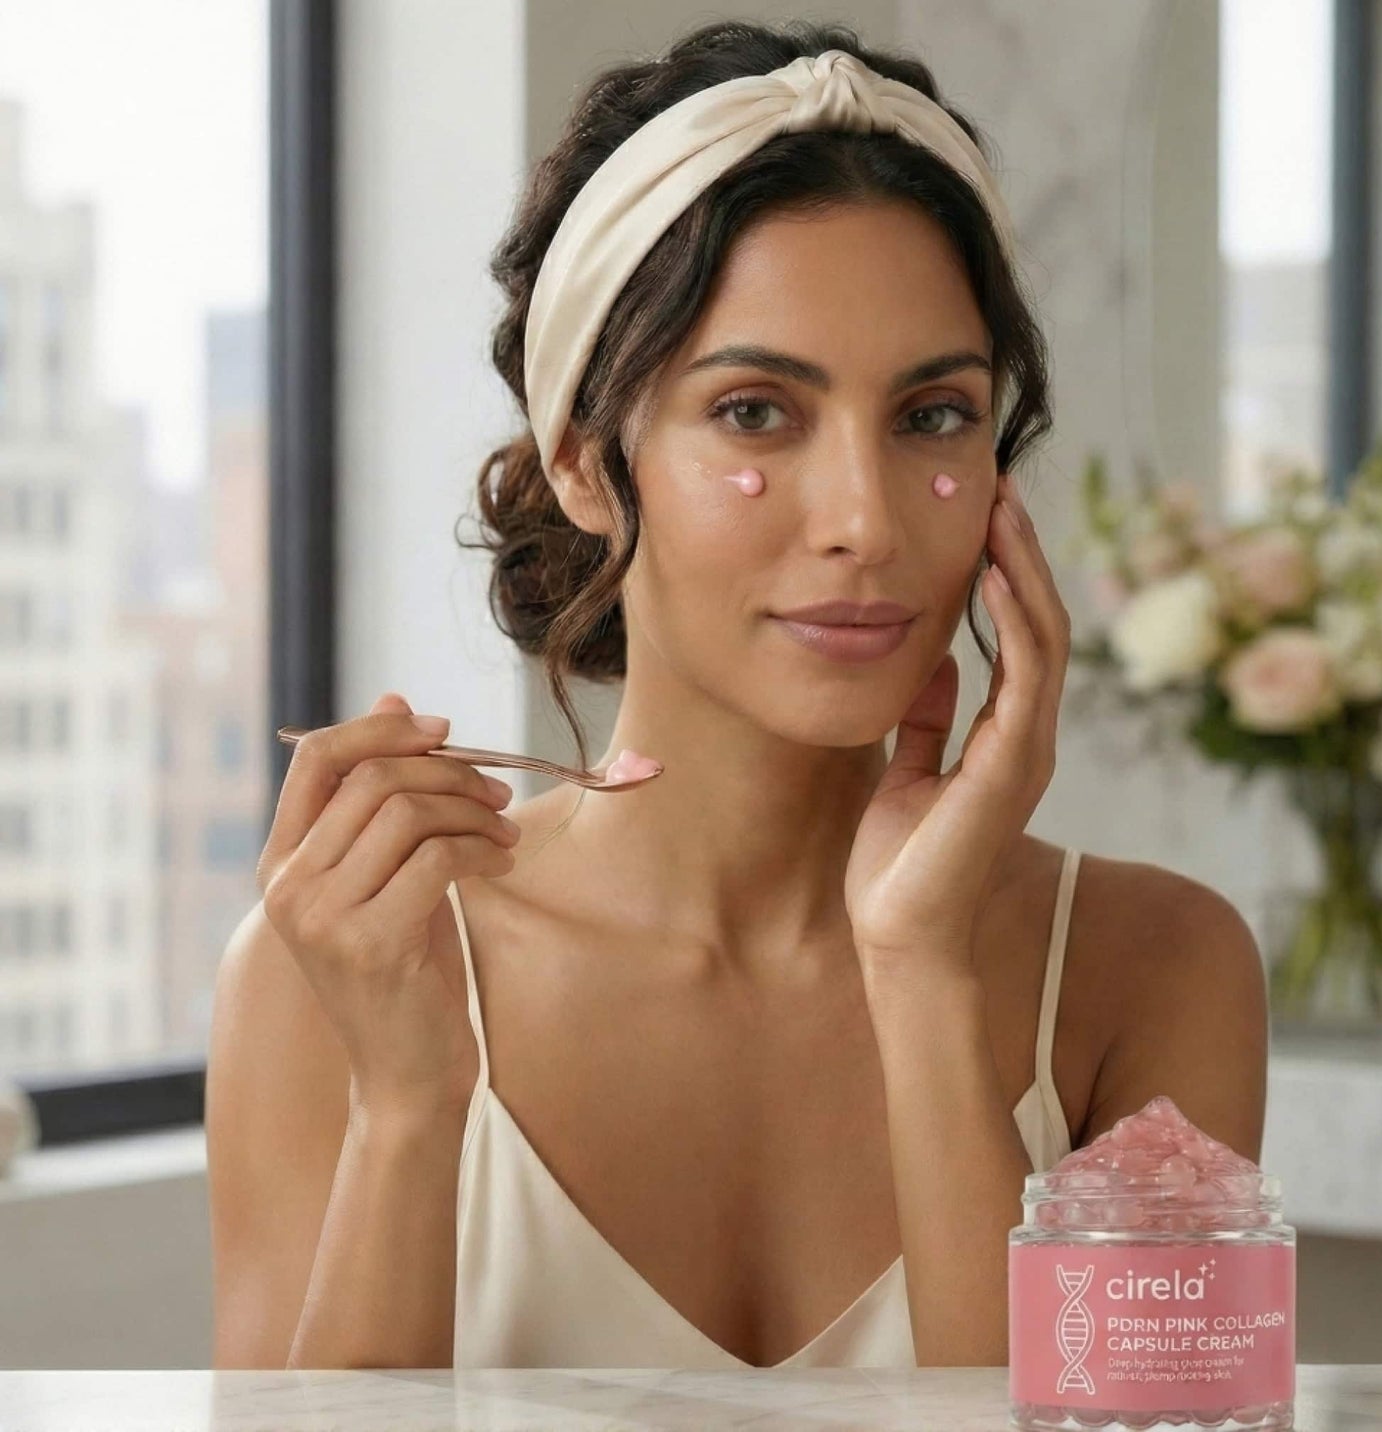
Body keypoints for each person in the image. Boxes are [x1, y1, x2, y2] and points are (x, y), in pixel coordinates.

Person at [206, 18, 1268, 1373]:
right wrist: (411, 1110)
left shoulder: (1156, 972)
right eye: (757, 411)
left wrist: (923, 975)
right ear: (588, 462)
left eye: (933, 415)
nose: (864, 522)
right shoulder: (344, 976)